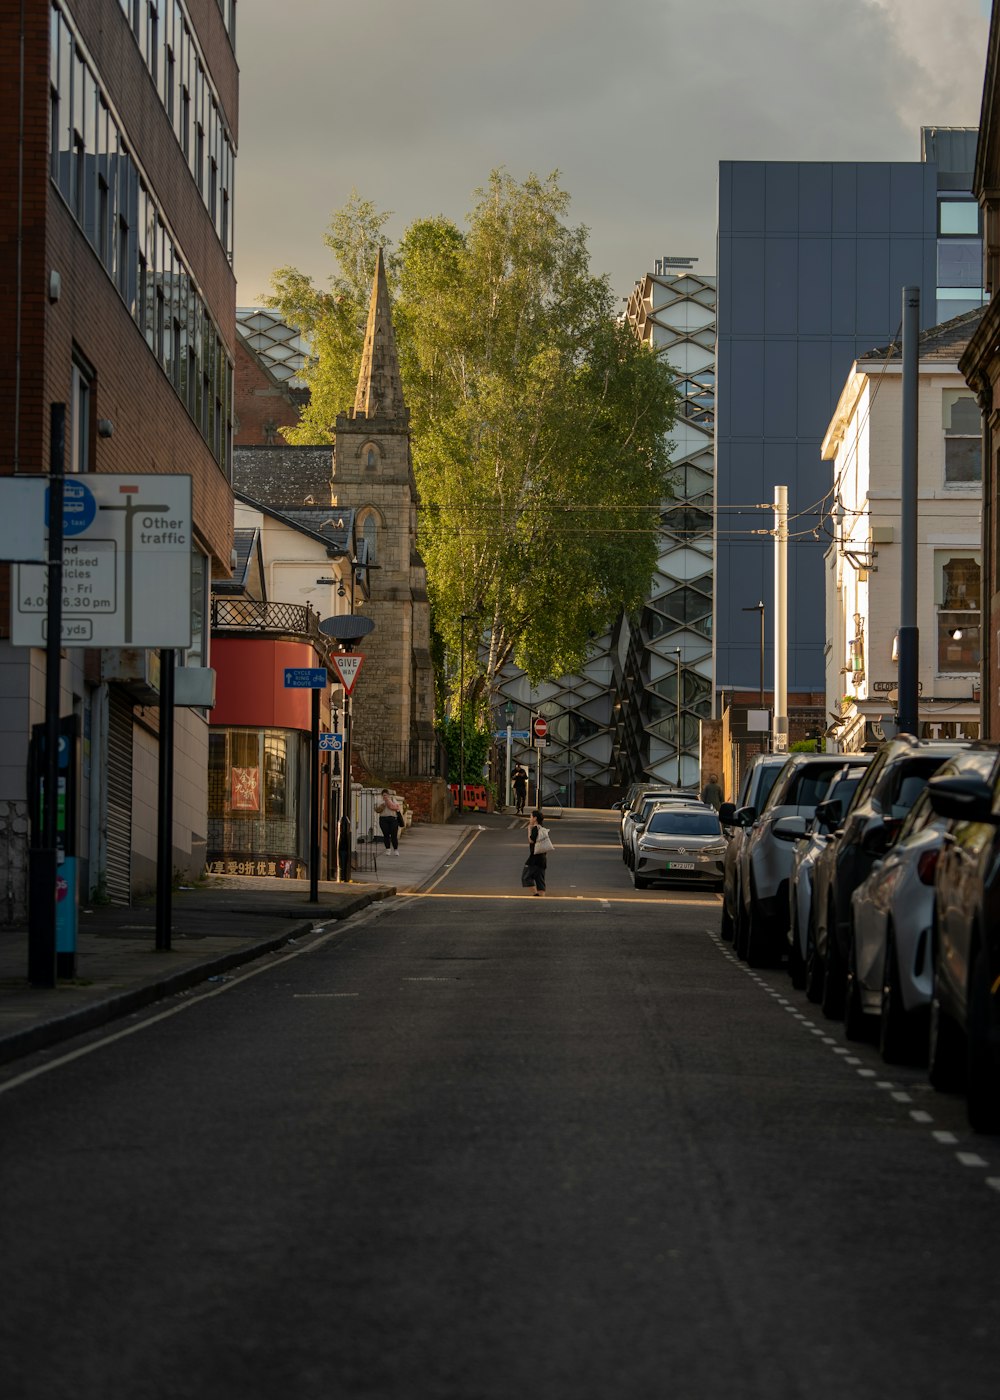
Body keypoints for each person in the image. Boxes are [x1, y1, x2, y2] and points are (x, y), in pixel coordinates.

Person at [524, 808, 549, 896]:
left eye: (530, 817)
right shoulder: (542, 829)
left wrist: (529, 829)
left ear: (535, 818)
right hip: (542, 859)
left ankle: (536, 895)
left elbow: (531, 840)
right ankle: (541, 899)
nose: (530, 819)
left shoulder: (535, 829)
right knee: (540, 882)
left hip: (534, 859)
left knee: (526, 877)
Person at [376, 788, 403, 854]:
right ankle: (388, 849)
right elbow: (377, 810)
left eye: (386, 795)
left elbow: (397, 807)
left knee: (394, 835)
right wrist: (383, 805)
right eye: (383, 795)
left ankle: (396, 849)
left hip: (393, 819)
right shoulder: (380, 802)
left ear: (388, 795)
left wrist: (389, 803)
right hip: (383, 819)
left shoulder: (393, 800)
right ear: (382, 796)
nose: (385, 796)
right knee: (386, 834)